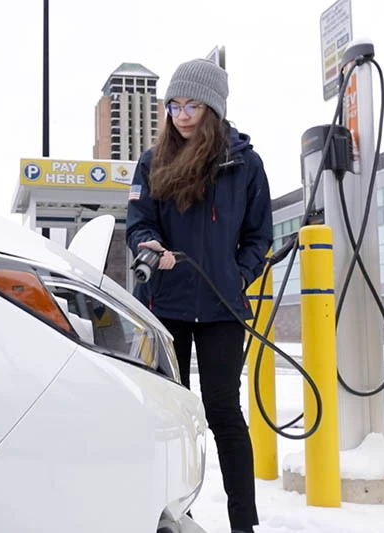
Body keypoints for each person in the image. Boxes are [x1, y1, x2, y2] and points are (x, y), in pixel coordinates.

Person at [125, 58, 273, 533]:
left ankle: (243, 525)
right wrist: (149, 246)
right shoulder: (152, 162)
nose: (181, 115)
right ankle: (173, 515)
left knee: (223, 412)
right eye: (174, 105)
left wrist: (236, 275)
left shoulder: (244, 165)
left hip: (221, 309)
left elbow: (259, 236)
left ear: (214, 109)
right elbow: (139, 222)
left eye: (191, 105)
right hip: (165, 305)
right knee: (169, 416)